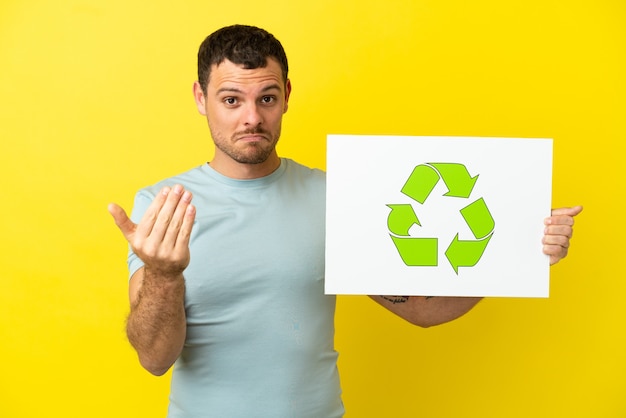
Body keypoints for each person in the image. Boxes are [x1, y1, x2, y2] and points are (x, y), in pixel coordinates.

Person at [108, 24, 583, 417]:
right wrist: (164, 274)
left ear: (287, 95)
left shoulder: (337, 197)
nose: (251, 118)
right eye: (231, 100)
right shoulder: (164, 206)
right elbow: (154, 357)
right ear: (200, 97)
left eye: (267, 98)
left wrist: (521, 256)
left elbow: (420, 307)